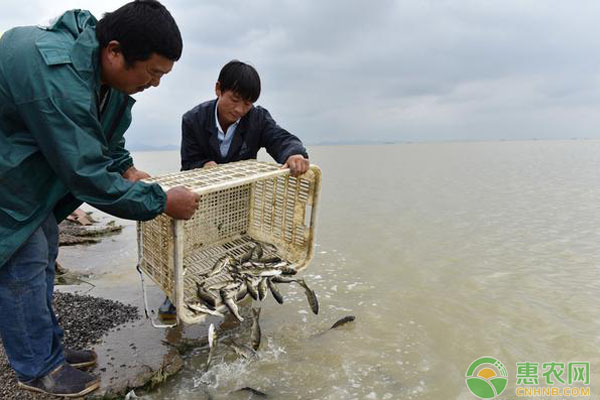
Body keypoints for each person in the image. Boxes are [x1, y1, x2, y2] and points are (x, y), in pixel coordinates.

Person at [0, 1, 200, 397]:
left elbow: (105, 137)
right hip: (8, 177)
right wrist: (159, 201)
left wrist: (127, 168)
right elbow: (87, 173)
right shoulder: (57, 75)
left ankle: (47, 349)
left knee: (44, 253)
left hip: (29, 176)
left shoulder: (106, 78)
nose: (156, 83)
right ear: (114, 51)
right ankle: (37, 367)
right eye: (153, 72)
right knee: (23, 264)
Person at [158, 60, 310, 319]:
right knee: (190, 245)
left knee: (235, 248)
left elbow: (281, 139)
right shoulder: (193, 119)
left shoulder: (258, 118)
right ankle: (176, 294)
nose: (240, 109)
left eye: (247, 104)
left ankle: (235, 296)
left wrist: (294, 153)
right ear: (218, 89)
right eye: (235, 99)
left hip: (239, 200)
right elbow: (189, 162)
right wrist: (204, 165)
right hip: (201, 199)